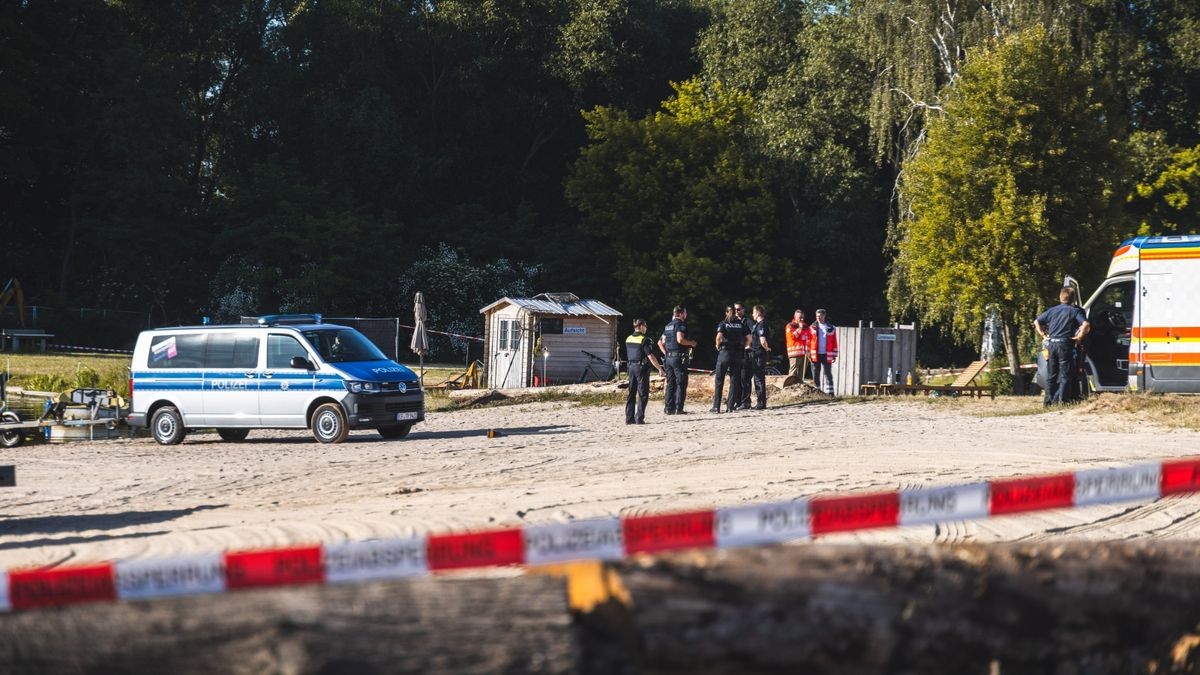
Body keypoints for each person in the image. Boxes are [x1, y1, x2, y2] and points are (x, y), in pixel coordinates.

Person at [1033, 287, 1090, 406]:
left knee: (1052, 375)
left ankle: (1048, 402)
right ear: (1073, 298)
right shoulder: (1075, 311)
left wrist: (1043, 335)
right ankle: (1063, 402)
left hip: (1052, 344)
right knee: (1065, 375)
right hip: (1065, 345)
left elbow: (1036, 322)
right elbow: (1085, 325)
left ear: (1060, 297)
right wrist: (1079, 337)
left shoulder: (1052, 310)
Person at [658, 305, 697, 415]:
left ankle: (668, 408)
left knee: (670, 383)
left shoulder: (668, 326)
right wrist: (691, 343)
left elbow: (661, 342)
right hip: (678, 357)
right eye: (685, 313)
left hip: (668, 358)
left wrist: (666, 353)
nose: (686, 315)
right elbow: (680, 339)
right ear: (680, 314)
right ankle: (679, 408)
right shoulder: (680, 324)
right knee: (681, 382)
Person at [624, 318, 665, 424]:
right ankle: (639, 418)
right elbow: (650, 356)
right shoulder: (644, 340)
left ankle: (629, 418)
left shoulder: (628, 338)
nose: (646, 328)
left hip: (631, 367)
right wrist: (660, 369)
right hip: (641, 369)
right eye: (645, 326)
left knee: (631, 393)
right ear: (641, 326)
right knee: (643, 394)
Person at [711, 305, 750, 413]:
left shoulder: (723, 323)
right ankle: (730, 406)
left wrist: (718, 345)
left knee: (719, 380)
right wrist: (744, 346)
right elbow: (749, 338)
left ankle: (716, 407)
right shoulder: (741, 324)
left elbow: (719, 338)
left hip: (725, 353)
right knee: (734, 380)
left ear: (726, 313)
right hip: (737, 354)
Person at [808, 308, 838, 395]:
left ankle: (830, 393)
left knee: (828, 373)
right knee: (815, 373)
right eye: (817, 316)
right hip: (815, 354)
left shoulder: (831, 328)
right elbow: (808, 341)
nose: (818, 318)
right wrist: (808, 352)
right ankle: (817, 391)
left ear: (824, 316)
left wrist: (834, 354)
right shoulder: (812, 327)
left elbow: (834, 342)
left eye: (820, 316)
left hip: (827, 354)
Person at [748, 305, 772, 409]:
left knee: (759, 378)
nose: (752, 314)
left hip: (759, 354)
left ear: (758, 313)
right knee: (757, 378)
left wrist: (767, 348)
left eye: (753, 312)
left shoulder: (762, 325)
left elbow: (763, 340)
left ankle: (761, 403)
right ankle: (760, 402)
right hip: (756, 353)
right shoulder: (758, 325)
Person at [735, 303, 755, 410]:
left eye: (738, 309)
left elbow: (752, 336)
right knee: (736, 378)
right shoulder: (733, 321)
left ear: (743, 309)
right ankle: (738, 401)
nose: (736, 311)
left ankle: (746, 401)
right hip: (736, 353)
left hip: (746, 353)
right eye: (735, 309)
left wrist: (746, 346)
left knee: (745, 378)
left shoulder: (748, 321)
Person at [784, 309, 808, 381]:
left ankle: (799, 389)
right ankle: (789, 388)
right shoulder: (790, 326)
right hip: (795, 353)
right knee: (792, 373)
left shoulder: (805, 326)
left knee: (801, 375)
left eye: (803, 317)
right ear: (795, 316)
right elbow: (793, 336)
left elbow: (808, 338)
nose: (802, 319)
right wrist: (800, 328)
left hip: (805, 354)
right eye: (800, 317)